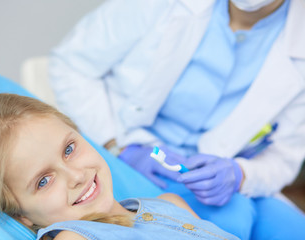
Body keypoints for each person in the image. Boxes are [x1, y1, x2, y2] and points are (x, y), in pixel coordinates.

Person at [49, 0, 305, 238]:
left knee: (291, 229)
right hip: (127, 151)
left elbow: (284, 157)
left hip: (219, 178)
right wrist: (118, 145)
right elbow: (71, 65)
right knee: (234, 217)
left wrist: (240, 175)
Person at [0, 93, 239, 240]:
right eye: (43, 181)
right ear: (19, 214)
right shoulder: (74, 238)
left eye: (69, 149)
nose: (75, 176)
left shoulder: (169, 204)